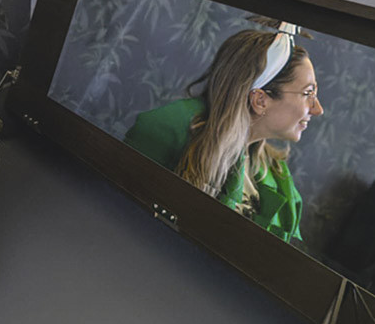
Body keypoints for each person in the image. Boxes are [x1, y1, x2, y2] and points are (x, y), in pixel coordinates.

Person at [124, 21, 324, 242]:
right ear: (260, 100)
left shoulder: (282, 182)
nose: (318, 109)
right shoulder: (166, 131)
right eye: (308, 93)